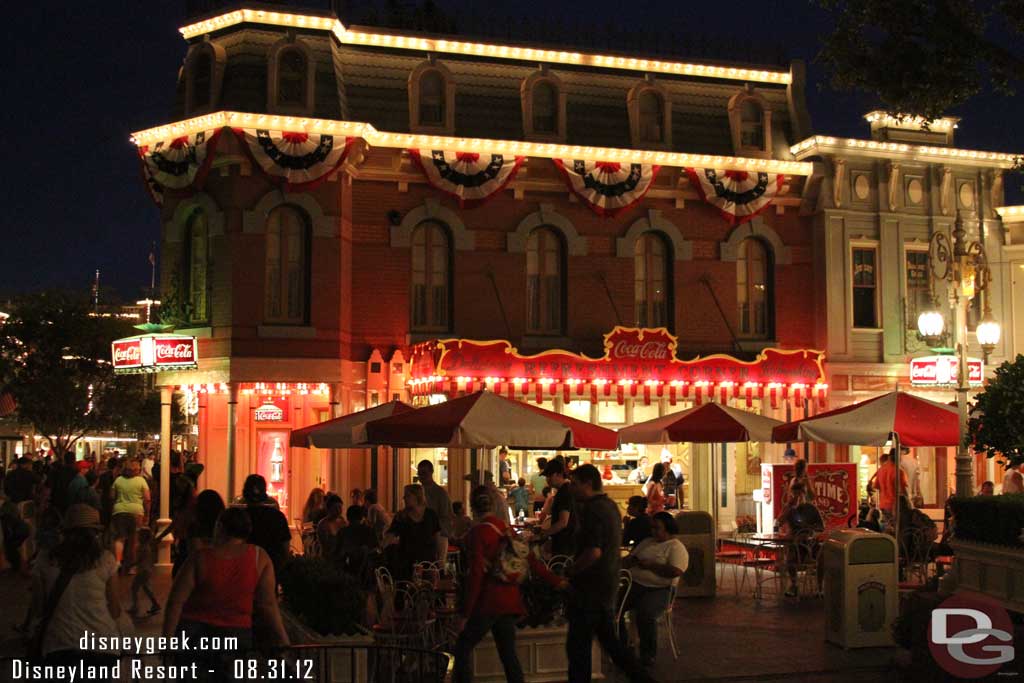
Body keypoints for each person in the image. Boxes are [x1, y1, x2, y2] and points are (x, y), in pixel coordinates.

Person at [453, 485, 566, 683]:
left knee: (463, 647)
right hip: (510, 599)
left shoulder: (476, 534)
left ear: (473, 506)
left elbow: (476, 575)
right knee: (508, 653)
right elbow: (531, 561)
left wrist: (465, 613)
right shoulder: (506, 529)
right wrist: (558, 582)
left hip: (488, 601)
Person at [163, 507, 289, 677]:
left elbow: (175, 602)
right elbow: (268, 604)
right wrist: (282, 638)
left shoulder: (200, 558)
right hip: (236, 634)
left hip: (195, 634)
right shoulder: (259, 558)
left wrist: (168, 643)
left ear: (220, 527)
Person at [564, 464, 653, 683]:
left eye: (574, 484)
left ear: (587, 483)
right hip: (606, 584)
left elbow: (593, 551)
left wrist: (571, 571)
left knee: (579, 647)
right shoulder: (610, 506)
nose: (571, 489)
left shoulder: (593, 510)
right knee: (611, 644)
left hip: (590, 588)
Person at [30, 504, 122, 676]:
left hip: (59, 646)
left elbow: (39, 608)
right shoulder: (106, 559)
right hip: (102, 647)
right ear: (95, 533)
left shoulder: (45, 559)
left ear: (65, 532)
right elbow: (115, 610)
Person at [621, 512, 688, 667]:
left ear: (668, 529)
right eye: (652, 528)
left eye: (657, 528)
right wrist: (629, 561)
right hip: (635, 584)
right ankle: (623, 645)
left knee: (646, 613)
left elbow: (675, 572)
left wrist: (651, 565)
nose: (653, 532)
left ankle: (647, 653)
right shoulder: (647, 542)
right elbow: (631, 558)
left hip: (659, 589)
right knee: (610, 607)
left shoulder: (676, 547)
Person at [777, 482, 825, 598]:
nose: (797, 497)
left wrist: (811, 531)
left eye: (799, 494)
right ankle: (794, 585)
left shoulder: (811, 509)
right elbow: (779, 522)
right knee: (791, 558)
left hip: (810, 542)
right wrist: (789, 508)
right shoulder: (790, 508)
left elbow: (821, 527)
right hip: (795, 542)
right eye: (794, 494)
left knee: (822, 557)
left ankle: (820, 588)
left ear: (804, 494)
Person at [239, 474, 292, 575]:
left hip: (244, 571)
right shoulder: (278, 517)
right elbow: (285, 548)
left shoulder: (239, 517)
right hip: (271, 570)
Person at [385, 484, 441, 580]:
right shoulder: (401, 517)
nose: (404, 498)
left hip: (427, 563)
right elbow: (390, 536)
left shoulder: (430, 515)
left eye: (407, 495)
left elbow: (437, 539)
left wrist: (438, 562)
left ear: (417, 496)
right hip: (406, 564)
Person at [110, 458, 151, 574]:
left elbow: (112, 496)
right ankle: (132, 566)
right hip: (136, 512)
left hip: (119, 511)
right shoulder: (141, 481)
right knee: (134, 540)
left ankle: (118, 562)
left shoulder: (118, 480)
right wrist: (147, 515)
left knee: (120, 538)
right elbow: (147, 499)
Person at [173, 489, 225, 577]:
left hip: (194, 572)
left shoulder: (196, 528)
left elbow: (195, 553)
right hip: (216, 571)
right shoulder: (222, 528)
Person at [536, 458, 576, 557]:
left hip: (565, 547)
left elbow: (563, 522)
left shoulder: (565, 492)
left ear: (558, 474)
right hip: (565, 544)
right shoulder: (564, 490)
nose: (547, 480)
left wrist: (543, 535)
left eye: (549, 476)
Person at [418, 459, 454, 562]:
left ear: (431, 472)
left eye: (424, 473)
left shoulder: (440, 493)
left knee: (437, 566)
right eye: (420, 473)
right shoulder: (418, 492)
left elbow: (446, 516)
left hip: (438, 536)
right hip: (422, 536)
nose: (421, 476)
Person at [335, 505, 379, 581]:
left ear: (348, 518)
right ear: (362, 517)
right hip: (366, 573)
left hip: (345, 571)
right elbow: (376, 549)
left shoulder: (342, 532)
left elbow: (337, 552)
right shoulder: (368, 531)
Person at [866, 451, 907, 529]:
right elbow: (903, 492)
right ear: (897, 457)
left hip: (883, 505)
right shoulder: (899, 471)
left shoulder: (881, 470)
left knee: (887, 529)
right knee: (898, 530)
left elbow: (876, 487)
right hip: (896, 507)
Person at [129, 527, 160, 617]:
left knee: (135, 588)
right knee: (146, 588)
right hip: (146, 570)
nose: (138, 537)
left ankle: (136, 606)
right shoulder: (146, 547)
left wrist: (131, 565)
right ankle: (155, 604)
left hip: (143, 571)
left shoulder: (144, 547)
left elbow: (141, 560)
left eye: (140, 535)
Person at [316, 493, 347, 558]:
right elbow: (325, 546)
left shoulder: (342, 521)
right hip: (328, 558)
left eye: (340, 508)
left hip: (341, 558)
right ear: (329, 509)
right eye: (336, 508)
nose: (339, 511)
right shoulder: (323, 524)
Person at [97, 457, 121, 526]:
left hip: (105, 503)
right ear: (116, 466)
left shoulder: (103, 476)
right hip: (116, 503)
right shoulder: (120, 477)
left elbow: (100, 491)